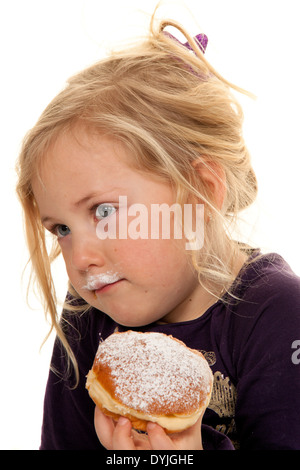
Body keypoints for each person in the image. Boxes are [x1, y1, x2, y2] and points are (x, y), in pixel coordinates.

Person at [16, 8, 300, 450]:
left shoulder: (277, 316)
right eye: (61, 229)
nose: (80, 258)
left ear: (200, 192)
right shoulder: (88, 318)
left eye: (104, 212)